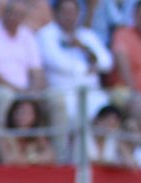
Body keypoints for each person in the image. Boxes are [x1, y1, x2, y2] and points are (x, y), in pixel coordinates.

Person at [0, 0, 46, 134]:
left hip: (25, 89)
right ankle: (1, 148)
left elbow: (37, 71)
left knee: (55, 99)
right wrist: (17, 90)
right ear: (4, 13)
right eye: (13, 13)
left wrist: (33, 90)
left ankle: (52, 151)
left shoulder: (27, 35)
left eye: (20, 15)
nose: (16, 18)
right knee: (4, 96)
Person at [38, 0, 111, 130]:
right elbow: (56, 61)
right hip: (64, 93)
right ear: (55, 13)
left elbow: (107, 62)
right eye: (65, 12)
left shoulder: (86, 35)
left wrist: (84, 48)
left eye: (73, 12)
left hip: (92, 92)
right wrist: (88, 68)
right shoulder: (46, 34)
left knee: (107, 116)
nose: (69, 16)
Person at [0, 97, 56, 164]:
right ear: (12, 114)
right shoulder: (3, 135)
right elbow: (9, 160)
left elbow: (50, 156)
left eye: (27, 113)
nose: (22, 116)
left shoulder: (37, 134)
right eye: (19, 112)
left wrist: (30, 160)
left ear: (35, 116)